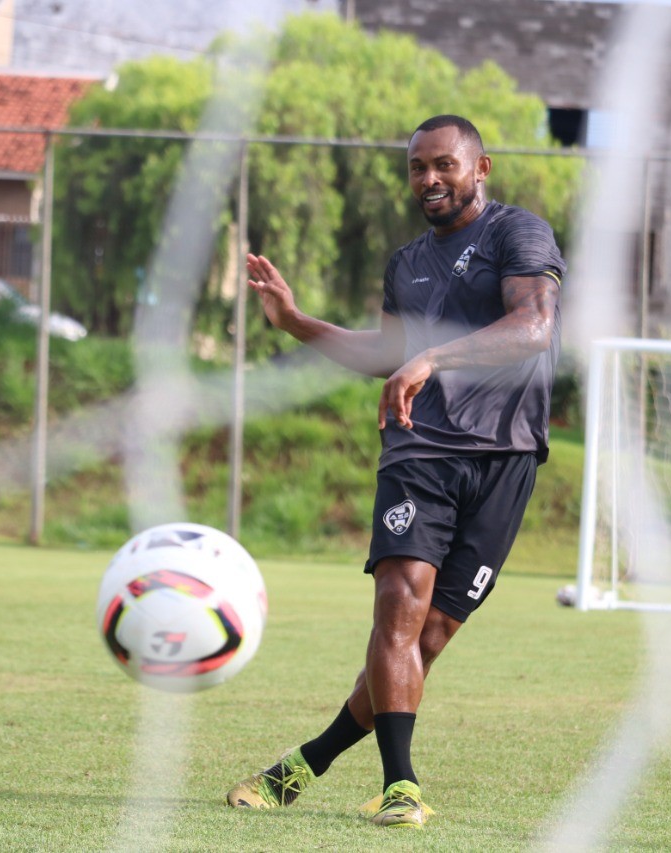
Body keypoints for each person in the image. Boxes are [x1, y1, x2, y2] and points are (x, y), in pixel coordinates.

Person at [225, 115, 565, 828]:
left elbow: (534, 326)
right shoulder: (407, 262)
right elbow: (386, 352)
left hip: (506, 458)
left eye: (444, 164)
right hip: (421, 450)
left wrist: (433, 357)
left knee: (431, 635)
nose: (430, 179)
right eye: (417, 167)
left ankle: (304, 764)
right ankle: (400, 784)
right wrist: (296, 323)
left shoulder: (518, 234)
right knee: (400, 609)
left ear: (482, 168)